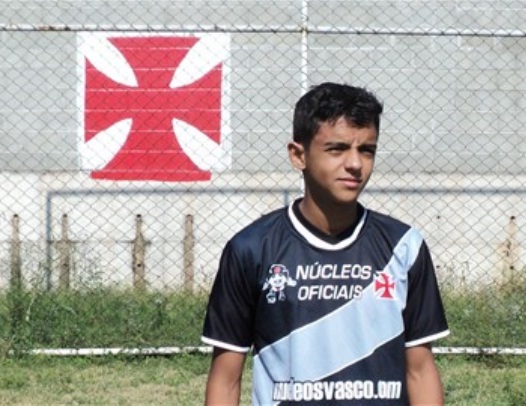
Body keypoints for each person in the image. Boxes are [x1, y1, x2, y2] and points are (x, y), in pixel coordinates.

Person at [201, 82, 450, 405]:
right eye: (337, 149)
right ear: (298, 155)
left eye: (367, 150)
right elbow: (225, 378)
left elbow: (420, 370)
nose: (355, 164)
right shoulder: (250, 249)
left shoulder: (404, 247)